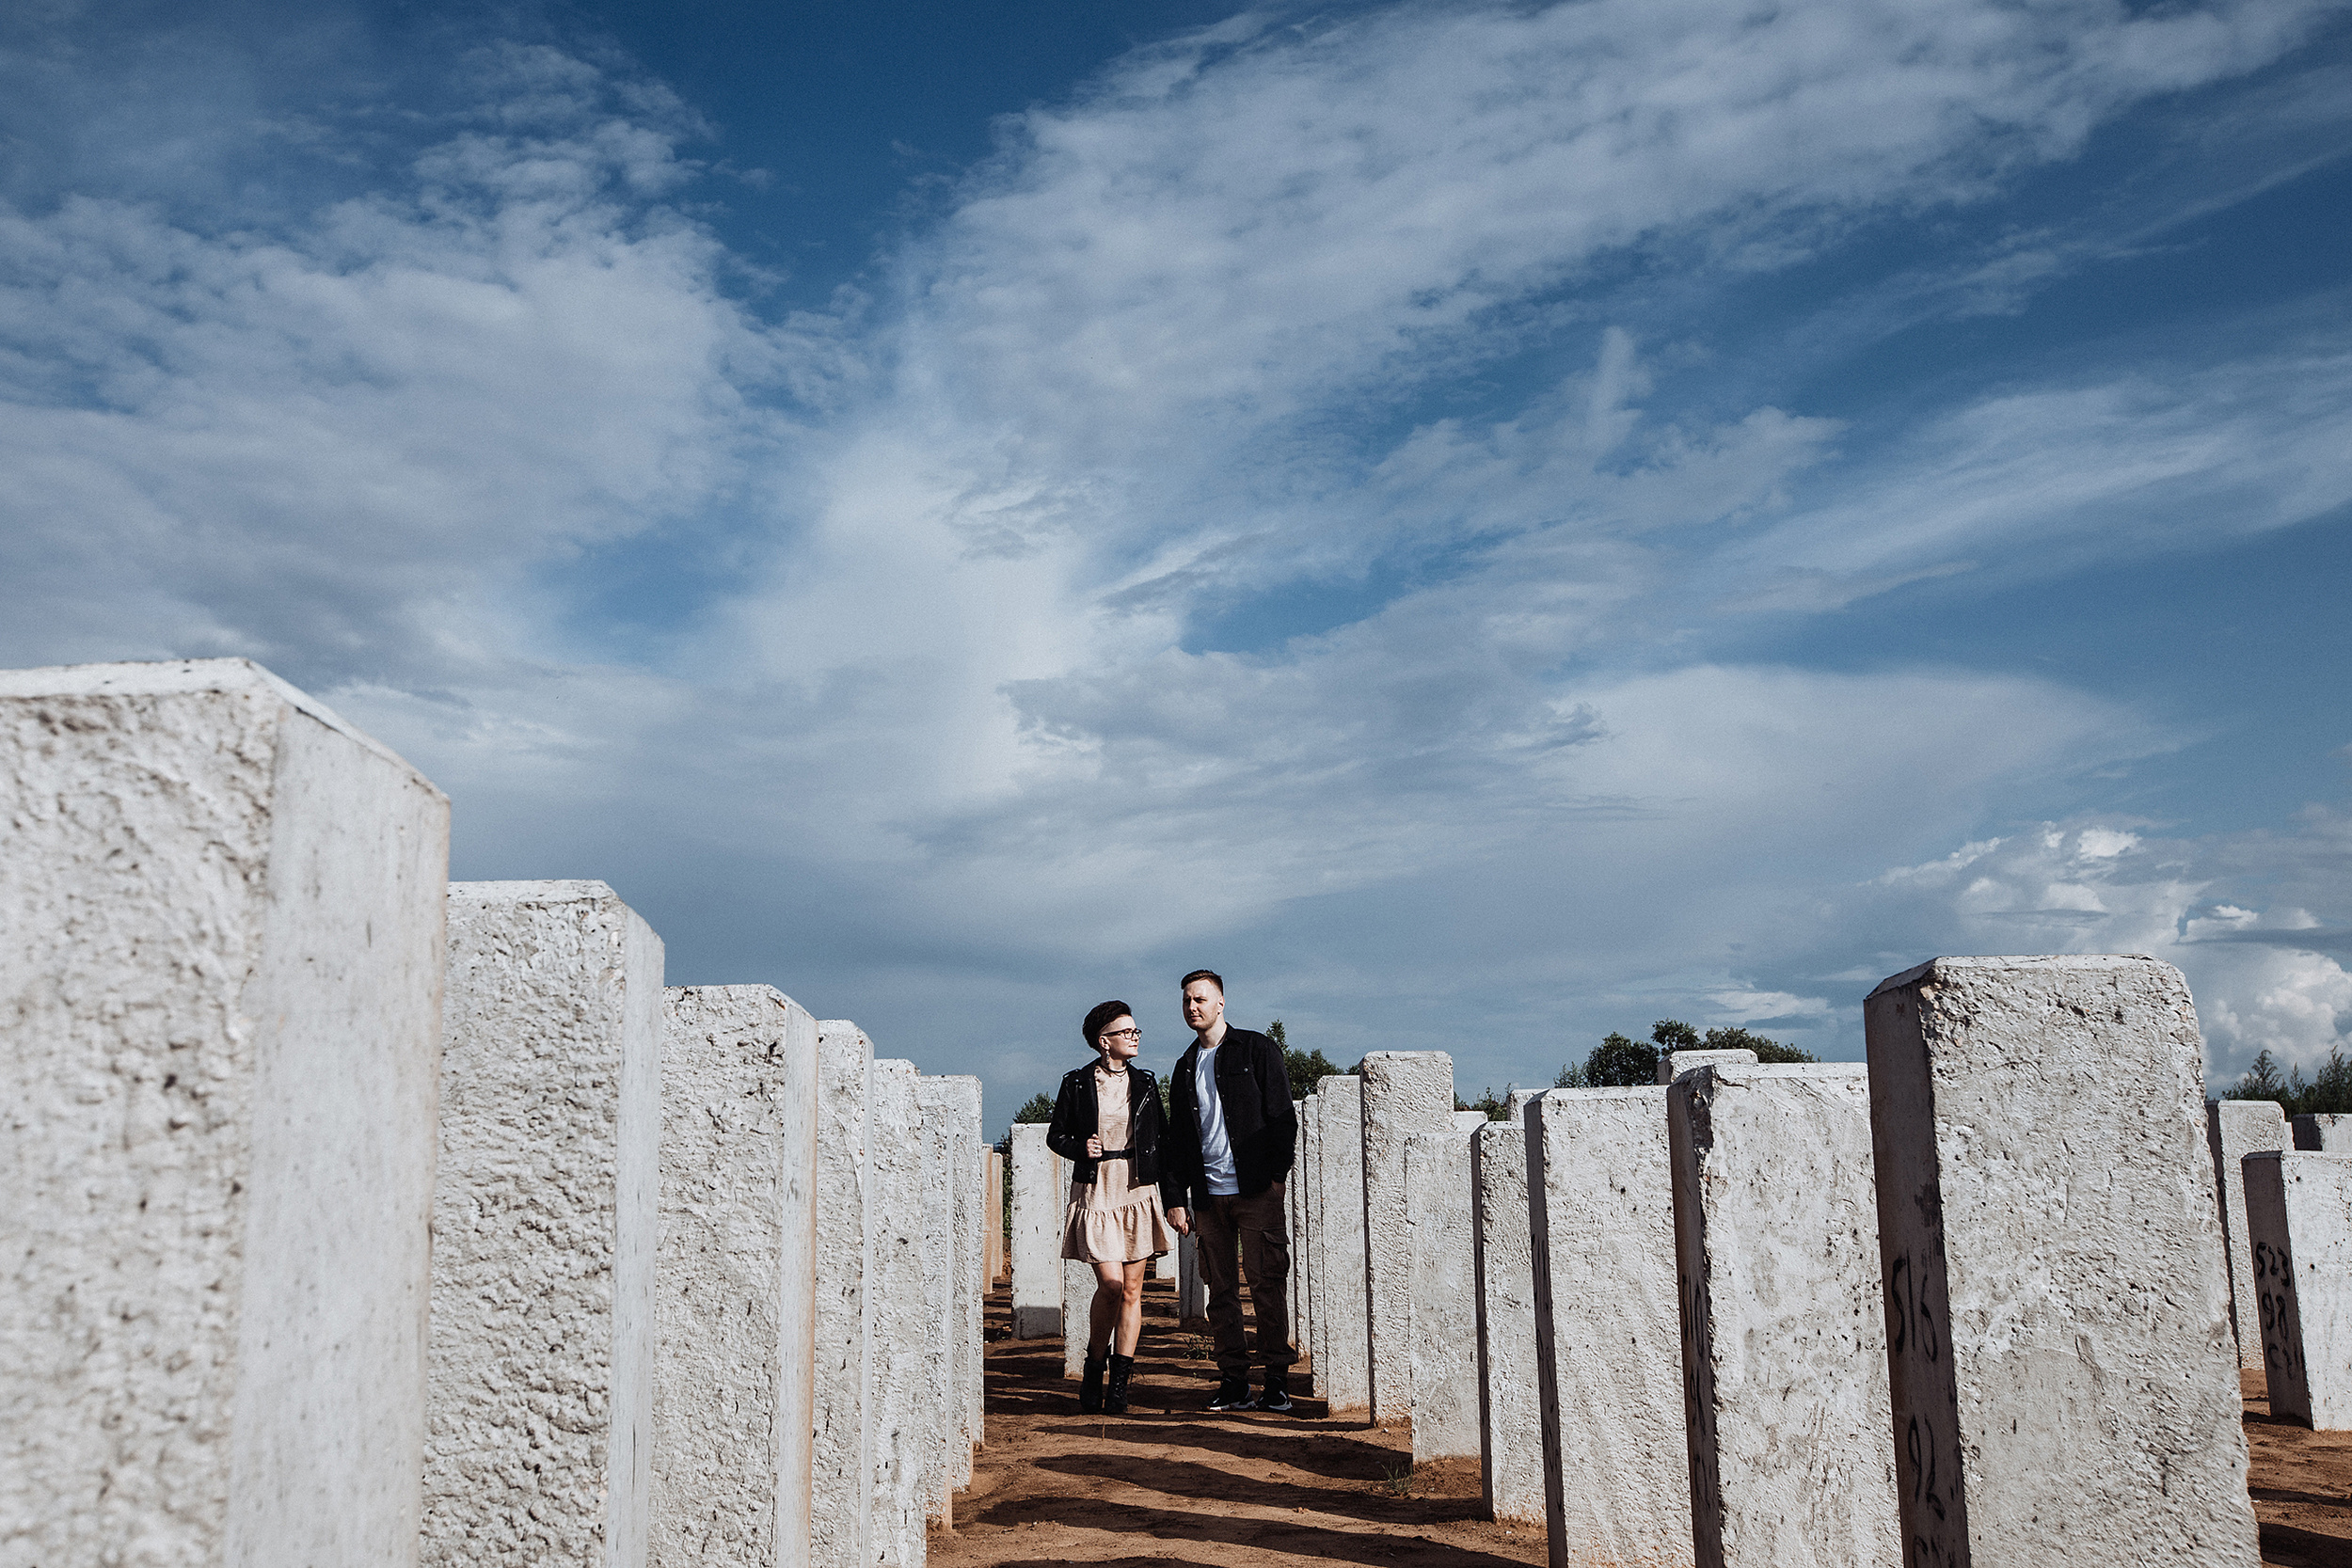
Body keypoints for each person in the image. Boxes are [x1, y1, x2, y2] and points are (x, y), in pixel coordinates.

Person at [1162, 968, 1297, 1412]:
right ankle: (1233, 1379)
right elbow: (1179, 1140)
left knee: (1266, 1284)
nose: (1192, 1007)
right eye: (1186, 1001)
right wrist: (1175, 1198)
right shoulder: (1184, 1068)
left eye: (1200, 999)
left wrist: (1276, 1179)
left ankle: (1276, 1379)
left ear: (1221, 1003)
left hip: (1256, 1190)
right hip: (1207, 1196)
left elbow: (1282, 1117)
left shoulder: (1256, 1049)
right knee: (1219, 1289)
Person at [1046, 999, 1183, 1415]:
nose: (1135, 1037)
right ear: (1104, 1041)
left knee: (1133, 1290)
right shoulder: (1075, 1083)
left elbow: (1165, 1139)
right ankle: (1093, 1364)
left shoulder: (1146, 1083)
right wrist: (1079, 1147)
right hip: (1097, 1188)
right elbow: (1056, 1136)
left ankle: (1119, 1386)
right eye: (1127, 1032)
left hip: (1137, 1188)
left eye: (1137, 1031)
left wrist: (1174, 1201)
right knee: (1111, 1285)